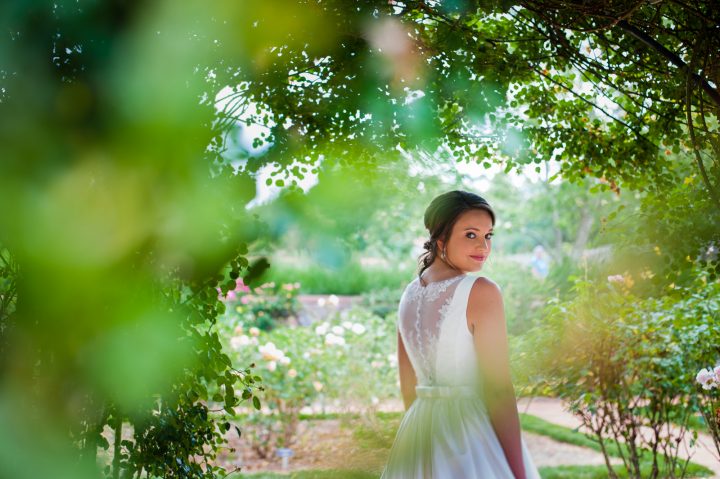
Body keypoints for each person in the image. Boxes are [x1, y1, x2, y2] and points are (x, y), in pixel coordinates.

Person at [381, 190, 540, 479]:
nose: (483, 246)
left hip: (416, 433)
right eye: (470, 235)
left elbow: (408, 385)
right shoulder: (482, 291)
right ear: (441, 239)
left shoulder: (408, 294)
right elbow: (498, 390)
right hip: (467, 437)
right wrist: (519, 473)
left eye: (488, 235)